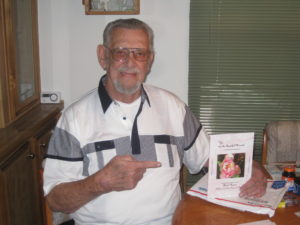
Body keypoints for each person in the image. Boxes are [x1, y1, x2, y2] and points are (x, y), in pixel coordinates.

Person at [43, 18, 267, 225]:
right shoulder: (73, 119)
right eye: (120, 52)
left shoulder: (174, 107)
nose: (130, 62)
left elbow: (210, 158)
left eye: (139, 53)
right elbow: (55, 200)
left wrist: (252, 167)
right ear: (103, 56)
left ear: (149, 61)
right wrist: (100, 183)